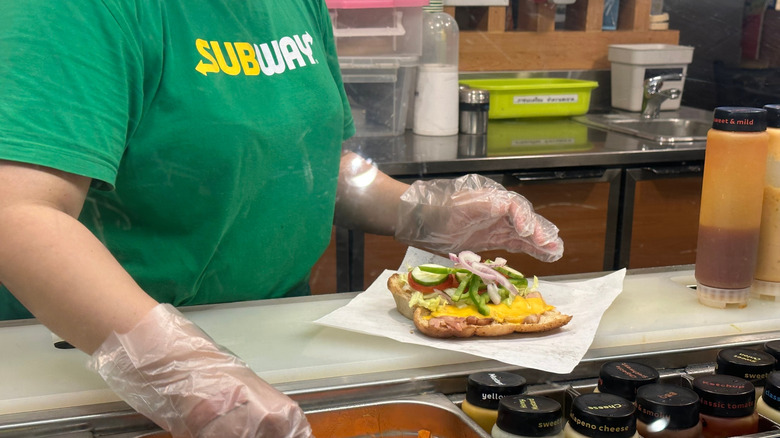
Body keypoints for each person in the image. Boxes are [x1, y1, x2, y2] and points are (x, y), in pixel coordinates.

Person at [0, 1, 562, 437]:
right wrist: (179, 368)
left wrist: (420, 209)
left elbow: (314, 161)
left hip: (273, 338)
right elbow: (18, 210)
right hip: (98, 364)